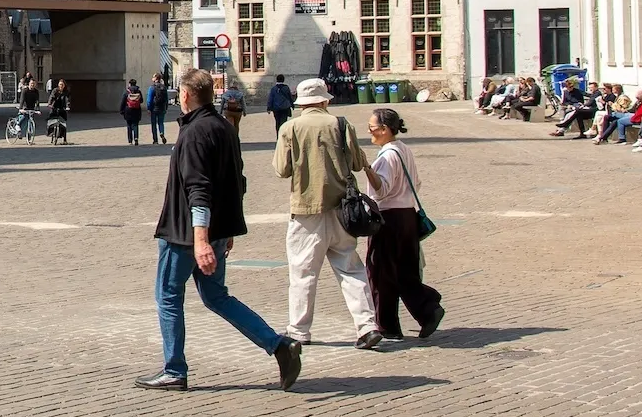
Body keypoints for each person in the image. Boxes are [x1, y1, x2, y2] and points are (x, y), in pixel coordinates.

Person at [136, 69, 302, 392]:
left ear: (185, 96)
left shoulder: (194, 133)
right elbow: (236, 184)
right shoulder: (225, 128)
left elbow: (199, 189)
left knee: (168, 295)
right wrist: (224, 233)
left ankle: (174, 368)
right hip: (214, 231)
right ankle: (279, 345)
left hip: (185, 233)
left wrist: (202, 240)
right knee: (216, 296)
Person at [272, 77, 384, 349]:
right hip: (343, 210)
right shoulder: (341, 124)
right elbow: (357, 163)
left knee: (303, 273)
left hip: (306, 210)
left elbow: (281, 170)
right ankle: (367, 326)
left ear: (301, 103)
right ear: (324, 101)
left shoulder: (290, 128)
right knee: (350, 269)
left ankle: (299, 330)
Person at [363, 108, 442, 339]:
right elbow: (416, 183)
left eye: (372, 128)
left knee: (380, 272)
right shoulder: (403, 150)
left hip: (389, 218)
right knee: (404, 270)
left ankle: (389, 324)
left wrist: (367, 169)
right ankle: (426, 310)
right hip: (407, 215)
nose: (369, 132)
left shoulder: (387, 156)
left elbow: (382, 189)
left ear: (385, 130)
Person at [145, 73, 170, 144]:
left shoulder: (152, 87)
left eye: (153, 77)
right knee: (161, 123)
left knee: (154, 124)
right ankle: (161, 133)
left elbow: (149, 100)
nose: (152, 78)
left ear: (156, 78)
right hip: (162, 107)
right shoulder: (164, 87)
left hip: (154, 108)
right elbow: (166, 98)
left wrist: (149, 108)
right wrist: (166, 107)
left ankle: (155, 140)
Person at [121, 78, 144, 145]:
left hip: (128, 110)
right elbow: (141, 100)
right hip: (137, 110)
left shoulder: (127, 92)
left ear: (129, 84)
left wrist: (121, 110)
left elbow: (123, 102)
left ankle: (130, 140)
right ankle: (136, 138)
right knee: (135, 125)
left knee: (129, 125)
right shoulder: (138, 91)